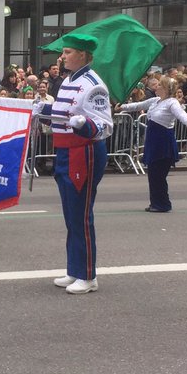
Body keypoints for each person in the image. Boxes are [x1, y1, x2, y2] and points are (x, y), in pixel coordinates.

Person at [33, 35, 113, 294]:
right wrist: (42, 112)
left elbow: (104, 125)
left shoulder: (93, 84)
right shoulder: (69, 80)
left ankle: (88, 275)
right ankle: (74, 269)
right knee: (70, 214)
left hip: (84, 152)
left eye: (67, 52)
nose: (62, 56)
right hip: (65, 151)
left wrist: (85, 125)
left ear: (82, 54)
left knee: (81, 214)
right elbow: (62, 115)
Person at [120, 76, 187, 212]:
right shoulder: (155, 100)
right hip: (153, 141)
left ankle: (163, 204)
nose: (157, 87)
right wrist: (121, 107)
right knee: (153, 174)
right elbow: (138, 105)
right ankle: (156, 203)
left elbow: (181, 114)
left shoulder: (172, 102)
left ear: (167, 89)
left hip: (163, 142)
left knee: (158, 175)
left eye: (160, 85)